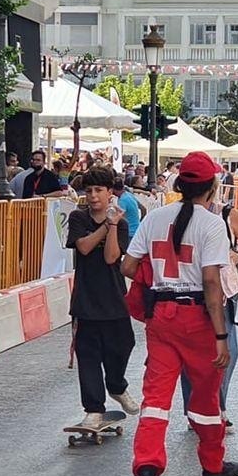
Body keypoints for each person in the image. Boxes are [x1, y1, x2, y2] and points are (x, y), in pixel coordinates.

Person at [121, 151, 238, 476]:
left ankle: (147, 473)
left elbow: (129, 267)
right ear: (212, 187)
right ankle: (212, 465)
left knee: (156, 399)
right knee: (205, 400)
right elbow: (211, 283)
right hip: (198, 322)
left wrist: (159, 282)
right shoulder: (211, 224)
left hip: (160, 318)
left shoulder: (155, 218)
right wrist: (221, 336)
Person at [178, 186, 238, 432]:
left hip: (223, 293)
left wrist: (237, 256)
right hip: (189, 290)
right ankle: (196, 409)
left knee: (228, 351)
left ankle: (216, 406)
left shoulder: (225, 214)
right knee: (192, 356)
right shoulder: (178, 214)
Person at [66, 166, 140, 431]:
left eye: (99, 190)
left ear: (111, 193)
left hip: (114, 296)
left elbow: (111, 257)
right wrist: (105, 225)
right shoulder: (78, 217)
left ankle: (117, 386)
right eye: (89, 191)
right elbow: (83, 247)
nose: (94, 196)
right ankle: (94, 409)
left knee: (123, 345)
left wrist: (113, 225)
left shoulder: (121, 223)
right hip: (86, 299)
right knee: (88, 356)